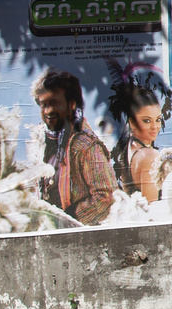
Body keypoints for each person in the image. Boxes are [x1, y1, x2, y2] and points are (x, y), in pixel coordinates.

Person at [34, 68, 117, 225]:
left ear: (71, 104)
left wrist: (68, 219)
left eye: (54, 103)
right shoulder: (43, 141)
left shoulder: (86, 145)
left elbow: (106, 197)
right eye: (43, 104)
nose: (48, 111)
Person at [109, 83, 167, 203]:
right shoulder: (150, 156)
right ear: (132, 123)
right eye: (146, 121)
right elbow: (152, 209)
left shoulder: (128, 147)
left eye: (158, 119)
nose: (155, 127)